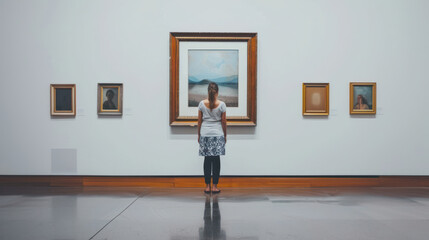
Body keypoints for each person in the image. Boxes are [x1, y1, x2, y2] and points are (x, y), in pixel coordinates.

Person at [197, 82, 227, 194]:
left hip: (205, 133)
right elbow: (223, 122)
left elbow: (199, 121)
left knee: (207, 160)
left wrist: (199, 135)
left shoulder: (201, 104)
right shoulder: (222, 105)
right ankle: (214, 186)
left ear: (208, 91)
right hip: (217, 133)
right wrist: (225, 135)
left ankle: (207, 186)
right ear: (217, 92)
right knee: (216, 161)